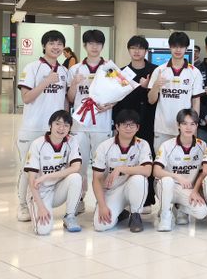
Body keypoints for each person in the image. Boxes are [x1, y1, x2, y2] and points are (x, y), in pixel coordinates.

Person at [16, 30, 69, 222]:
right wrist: (46, 82)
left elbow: (65, 101)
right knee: (27, 169)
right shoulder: (32, 67)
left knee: (49, 168)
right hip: (33, 128)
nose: (56, 47)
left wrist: (66, 127)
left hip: (55, 132)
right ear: (44, 45)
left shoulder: (64, 71)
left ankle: (39, 201)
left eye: (59, 44)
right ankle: (22, 205)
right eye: (52, 43)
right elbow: (26, 98)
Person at [66, 29, 115, 214]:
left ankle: (101, 202)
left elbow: (119, 93)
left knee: (103, 166)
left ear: (103, 46)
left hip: (102, 125)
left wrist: (109, 105)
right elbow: (70, 98)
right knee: (79, 165)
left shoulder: (109, 68)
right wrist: (74, 84)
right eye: (91, 43)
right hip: (80, 126)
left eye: (98, 43)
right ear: (85, 45)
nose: (94, 47)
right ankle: (78, 199)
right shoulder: (75, 69)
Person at [112, 35, 158, 212]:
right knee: (126, 158)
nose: (136, 51)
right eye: (133, 48)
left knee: (147, 159)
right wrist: (116, 124)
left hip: (148, 121)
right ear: (129, 50)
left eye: (140, 48)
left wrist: (146, 88)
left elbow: (156, 98)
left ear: (146, 51)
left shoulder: (155, 71)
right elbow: (115, 99)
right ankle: (124, 198)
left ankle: (147, 200)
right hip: (126, 123)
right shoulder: (120, 72)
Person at [92, 109, 153, 233]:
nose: (128, 128)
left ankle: (135, 215)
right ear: (117, 126)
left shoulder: (143, 144)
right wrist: (102, 205)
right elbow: (96, 179)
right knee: (100, 226)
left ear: (137, 128)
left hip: (130, 187)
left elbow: (147, 171)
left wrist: (120, 169)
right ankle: (121, 212)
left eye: (132, 125)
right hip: (111, 191)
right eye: (125, 124)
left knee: (139, 178)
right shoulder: (104, 146)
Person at [23, 110, 82, 235]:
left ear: (70, 128)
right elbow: (32, 180)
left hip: (57, 189)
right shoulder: (38, 144)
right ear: (50, 125)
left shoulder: (72, 141)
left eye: (66, 125)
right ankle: (34, 208)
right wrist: (41, 207)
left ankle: (70, 216)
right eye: (58, 124)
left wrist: (47, 176)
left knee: (76, 177)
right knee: (43, 230)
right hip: (39, 192)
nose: (61, 128)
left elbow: (76, 167)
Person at [153, 109, 207, 231]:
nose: (188, 127)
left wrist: (196, 191)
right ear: (178, 125)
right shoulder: (167, 145)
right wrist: (177, 176)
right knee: (167, 180)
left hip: (187, 189)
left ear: (197, 126)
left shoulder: (202, 145)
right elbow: (156, 171)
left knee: (201, 212)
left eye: (192, 124)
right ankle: (165, 215)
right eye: (184, 123)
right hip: (166, 186)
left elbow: (203, 172)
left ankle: (179, 207)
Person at [148, 31, 204, 150]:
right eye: (174, 46)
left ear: (186, 48)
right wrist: (156, 86)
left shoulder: (194, 72)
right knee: (160, 159)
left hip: (185, 129)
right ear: (170, 47)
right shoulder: (159, 70)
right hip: (162, 127)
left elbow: (196, 102)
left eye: (181, 46)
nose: (178, 50)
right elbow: (151, 101)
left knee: (183, 160)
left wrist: (194, 126)